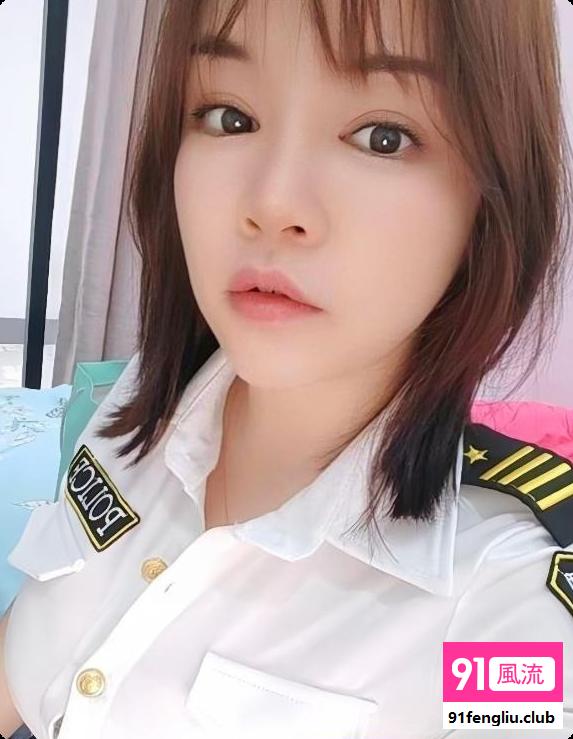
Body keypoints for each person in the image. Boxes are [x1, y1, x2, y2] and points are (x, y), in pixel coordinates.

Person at [1, 0, 572, 737]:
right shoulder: (135, 403)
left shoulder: (507, 590)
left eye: (382, 137)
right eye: (229, 117)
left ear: (494, 198)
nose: (271, 204)